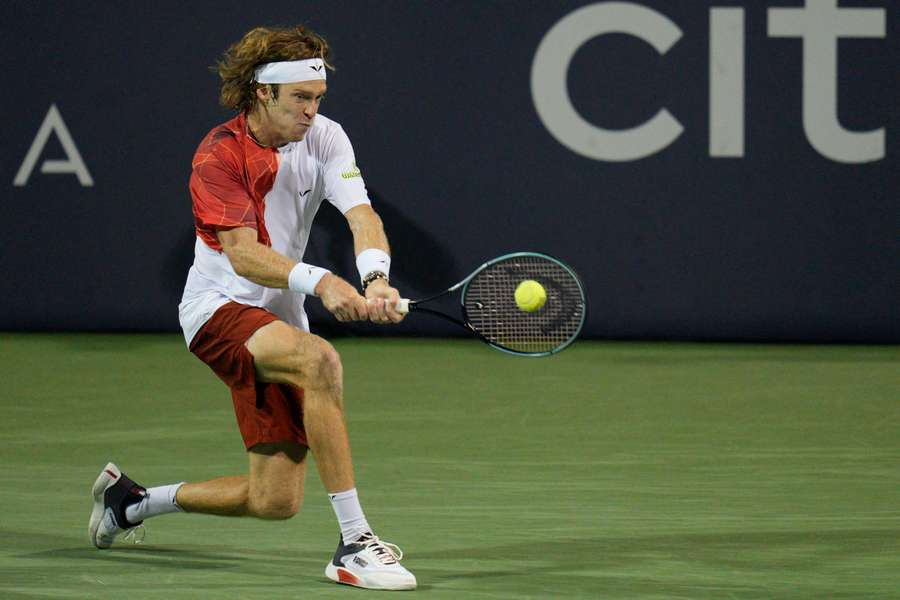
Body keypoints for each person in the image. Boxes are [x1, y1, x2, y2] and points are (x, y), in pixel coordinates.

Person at [87, 25, 416, 591]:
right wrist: (325, 283)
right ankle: (355, 543)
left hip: (278, 319)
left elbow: (361, 215)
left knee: (275, 499)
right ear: (263, 92)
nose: (313, 112)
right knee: (320, 363)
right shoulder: (219, 155)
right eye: (301, 99)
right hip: (218, 311)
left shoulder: (327, 137)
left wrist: (376, 277)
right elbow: (242, 256)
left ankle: (132, 503)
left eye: (318, 99)